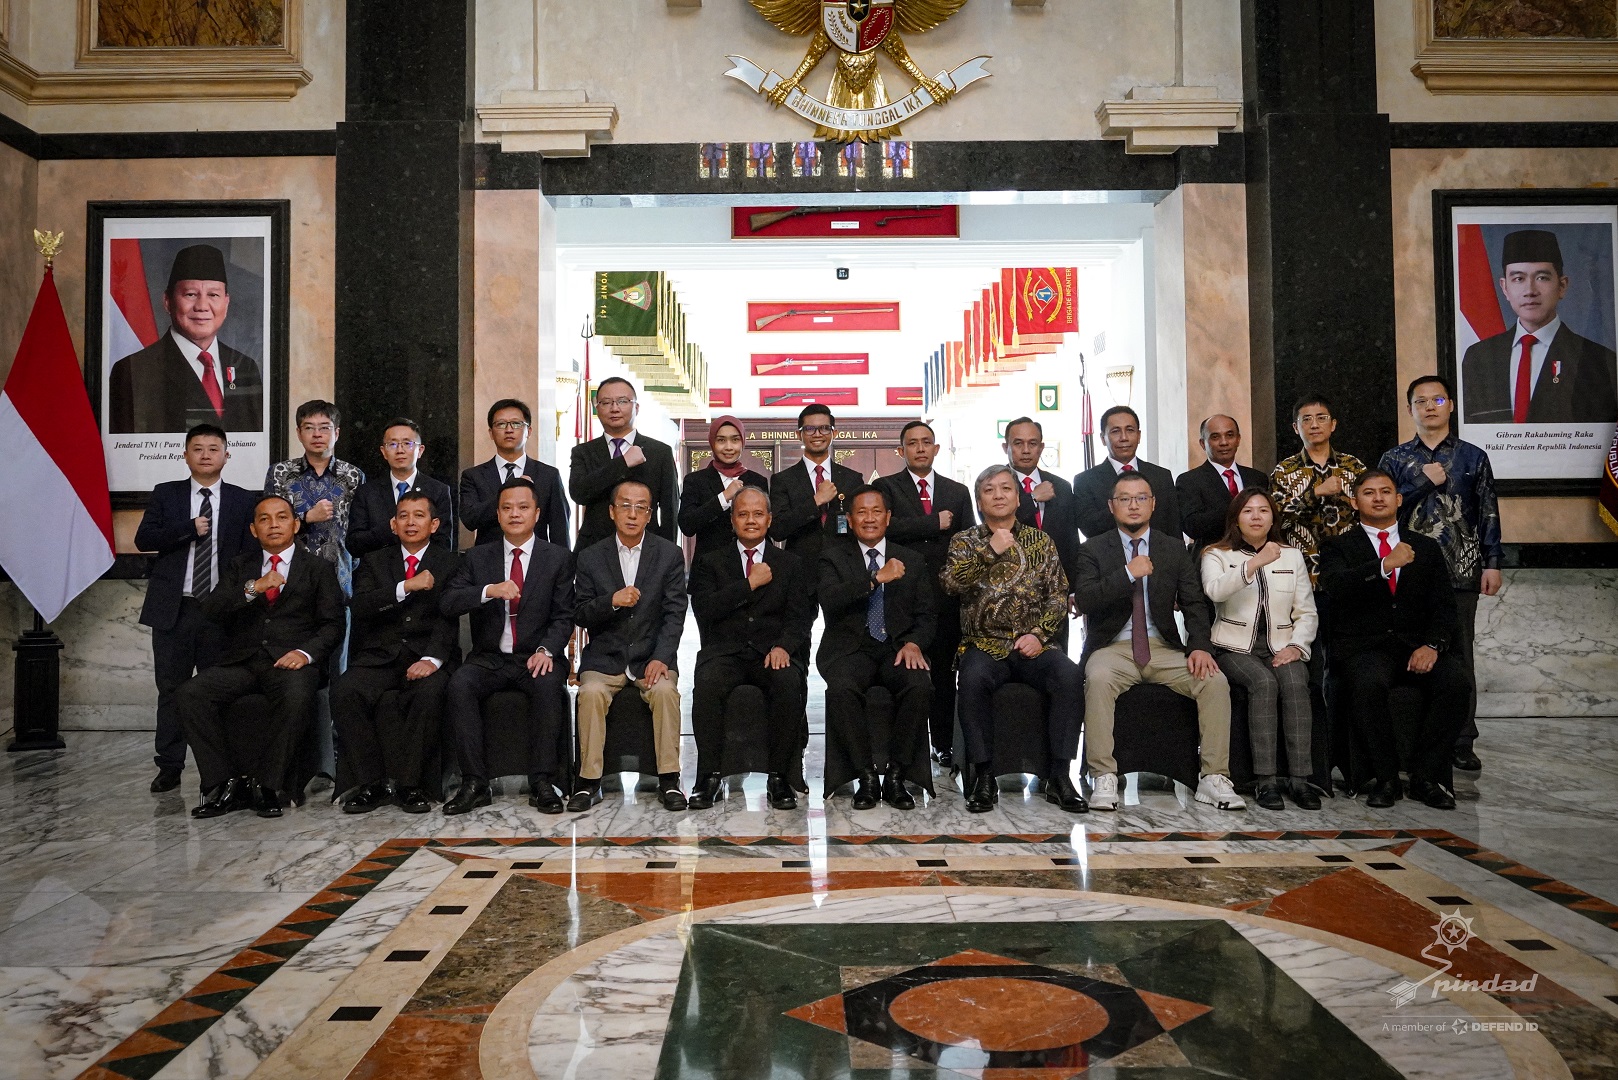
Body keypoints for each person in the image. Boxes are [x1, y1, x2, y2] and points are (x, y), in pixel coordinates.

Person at [1074, 472, 1244, 812]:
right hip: (1113, 648)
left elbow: (1194, 602)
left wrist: (1200, 646)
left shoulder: (1172, 548)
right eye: (1124, 499)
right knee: (1098, 678)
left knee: (1214, 681)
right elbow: (1086, 599)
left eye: (1141, 498)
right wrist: (1128, 573)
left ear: (1153, 504)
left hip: (1163, 647)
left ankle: (1213, 776)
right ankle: (1104, 775)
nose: (1133, 505)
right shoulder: (1093, 548)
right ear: (1111, 506)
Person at [175, 494, 344, 819]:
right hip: (243, 662)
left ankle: (268, 785)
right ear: (254, 530)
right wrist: (253, 588)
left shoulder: (318, 568)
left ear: (295, 525)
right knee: (189, 694)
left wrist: (305, 654)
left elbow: (333, 625)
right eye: (264, 519)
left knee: (296, 696)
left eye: (281, 517)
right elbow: (212, 610)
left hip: (292, 662)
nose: (273, 525)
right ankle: (223, 783)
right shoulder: (240, 566)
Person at [1318, 470, 1468, 810]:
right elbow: (1336, 587)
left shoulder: (1426, 547)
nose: (1378, 498)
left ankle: (1426, 777)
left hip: (1417, 645)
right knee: (1368, 685)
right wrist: (1385, 565)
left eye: (1386, 491)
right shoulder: (1338, 546)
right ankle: (1385, 778)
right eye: (1369, 493)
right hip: (1365, 647)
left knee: (1456, 684)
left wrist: (1432, 645)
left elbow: (1444, 606)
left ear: (1399, 499)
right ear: (1354, 502)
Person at [941, 464, 1086, 815]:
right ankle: (984, 776)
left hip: (1034, 644)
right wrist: (989, 551)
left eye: (1006, 488)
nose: (998, 495)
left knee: (1069, 676)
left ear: (1018, 498)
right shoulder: (965, 541)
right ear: (979, 501)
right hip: (984, 644)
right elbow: (950, 584)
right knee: (972, 679)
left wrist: (1039, 634)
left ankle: (1059, 776)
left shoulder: (1040, 541)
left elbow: (1058, 595)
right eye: (989, 490)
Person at [1380, 375, 1504, 774]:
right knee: (1409, 651)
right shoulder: (1394, 459)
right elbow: (1382, 509)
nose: (1429, 407)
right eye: (1421, 401)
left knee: (1460, 653)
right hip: (1408, 570)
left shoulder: (1473, 457)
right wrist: (1421, 482)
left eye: (1437, 400)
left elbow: (1487, 511)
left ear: (1450, 405)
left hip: (1461, 568)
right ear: (1410, 409)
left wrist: (1493, 562)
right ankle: (1414, 736)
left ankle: (1462, 739)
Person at [439, 477, 576, 815]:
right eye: (507, 508)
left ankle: (542, 781)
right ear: (498, 515)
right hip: (489, 658)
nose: (515, 514)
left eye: (523, 507)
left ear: (537, 514)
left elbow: (564, 616)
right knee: (459, 685)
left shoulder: (557, 558)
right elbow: (449, 601)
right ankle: (475, 782)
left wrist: (547, 650)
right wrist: (489, 591)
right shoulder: (477, 557)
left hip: (536, 655)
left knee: (548, 685)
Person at [134, 424, 256, 794]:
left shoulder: (242, 500)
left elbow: (251, 555)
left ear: (226, 455)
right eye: (198, 448)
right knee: (171, 689)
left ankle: (219, 769)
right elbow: (144, 539)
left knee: (217, 690)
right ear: (185, 455)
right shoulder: (166, 494)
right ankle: (169, 766)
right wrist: (188, 528)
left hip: (221, 611)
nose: (205, 455)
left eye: (213, 448)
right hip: (175, 608)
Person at [687, 488, 816, 811]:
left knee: (788, 682)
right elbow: (704, 609)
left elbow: (801, 617)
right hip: (725, 652)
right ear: (732, 520)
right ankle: (709, 777)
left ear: (769, 520)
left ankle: (779, 776)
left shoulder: (790, 563)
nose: (751, 520)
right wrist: (748, 585)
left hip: (771, 651)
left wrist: (784, 646)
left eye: (758, 514)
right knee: (706, 685)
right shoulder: (710, 561)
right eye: (743, 514)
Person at [333, 492, 460, 815]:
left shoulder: (450, 562)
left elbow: (449, 618)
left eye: (419, 515)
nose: (410, 522)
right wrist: (405, 587)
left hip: (426, 655)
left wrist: (432, 659)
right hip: (380, 656)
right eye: (403, 516)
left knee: (429, 693)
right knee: (346, 690)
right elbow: (361, 606)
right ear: (393, 524)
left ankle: (410, 785)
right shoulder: (374, 561)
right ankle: (370, 783)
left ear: (434, 524)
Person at [572, 480, 690, 813]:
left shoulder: (668, 554)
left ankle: (669, 779)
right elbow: (580, 612)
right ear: (612, 511)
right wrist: (611, 601)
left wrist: (662, 657)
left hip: (651, 656)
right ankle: (588, 782)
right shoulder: (591, 557)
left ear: (650, 514)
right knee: (590, 694)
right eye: (625, 505)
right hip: (604, 658)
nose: (632, 514)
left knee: (665, 692)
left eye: (641, 507)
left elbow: (675, 613)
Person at [1200, 488, 1320, 811]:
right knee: (1263, 683)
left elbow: (1307, 611)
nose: (1256, 517)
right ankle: (1265, 782)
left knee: (1295, 683)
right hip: (1233, 647)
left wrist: (1297, 646)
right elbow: (1215, 591)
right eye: (1248, 511)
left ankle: (1300, 780)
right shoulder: (1216, 554)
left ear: (1272, 518)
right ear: (1236, 519)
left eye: (1263, 510)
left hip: (1282, 645)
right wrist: (1254, 564)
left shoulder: (1292, 555)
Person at [816, 486, 935, 810]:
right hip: (850, 648)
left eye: (876, 511)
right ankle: (865, 776)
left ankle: (896, 776)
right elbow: (830, 599)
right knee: (841, 688)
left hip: (897, 647)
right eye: (862, 512)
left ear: (888, 517)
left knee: (918, 685)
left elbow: (927, 615)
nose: (869, 518)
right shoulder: (833, 556)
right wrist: (875, 579)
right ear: (850, 519)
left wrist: (914, 643)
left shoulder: (911, 559)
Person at [875, 420, 973, 766]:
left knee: (944, 674)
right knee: (907, 671)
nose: (920, 448)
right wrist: (933, 523)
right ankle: (907, 749)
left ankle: (943, 744)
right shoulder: (886, 487)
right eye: (912, 443)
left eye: (926, 442)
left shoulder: (957, 491)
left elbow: (968, 541)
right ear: (900, 450)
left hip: (946, 595)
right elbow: (883, 528)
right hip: (902, 594)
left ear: (936, 449)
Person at [1461, 229, 1618, 425]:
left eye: (1542, 277)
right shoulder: (1478, 357)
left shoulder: (1598, 361)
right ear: (1504, 287)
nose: (1530, 291)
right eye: (1518, 279)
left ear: (1562, 286)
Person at [108, 243, 264, 434]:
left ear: (226, 303)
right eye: (190, 294)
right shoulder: (134, 370)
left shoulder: (245, 367)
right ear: (167, 301)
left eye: (213, 295)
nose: (202, 306)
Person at [265, 400, 365, 595]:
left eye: (325, 428)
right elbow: (269, 525)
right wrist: (307, 517)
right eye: (309, 428)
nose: (317, 434)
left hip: (340, 577)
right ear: (299, 433)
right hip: (289, 577)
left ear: (336, 433)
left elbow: (359, 531)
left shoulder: (353, 475)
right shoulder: (279, 473)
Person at [569, 377, 678, 552]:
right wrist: (623, 463)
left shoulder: (660, 452)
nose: (614, 408)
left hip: (646, 548)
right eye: (606, 402)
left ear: (636, 407)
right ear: (597, 408)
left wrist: (667, 553)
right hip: (594, 549)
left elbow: (669, 510)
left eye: (622, 401)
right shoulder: (583, 452)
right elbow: (579, 493)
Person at [1270, 393, 1365, 584]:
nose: (1314, 425)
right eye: (1306, 419)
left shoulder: (1353, 466)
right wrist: (1315, 493)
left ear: (1333, 425)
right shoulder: (1284, 470)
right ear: (1296, 428)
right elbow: (1276, 518)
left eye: (1321, 418)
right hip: (1302, 568)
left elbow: (1367, 512)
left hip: (1349, 565)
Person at [459, 399, 570, 548]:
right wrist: (507, 494)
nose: (509, 430)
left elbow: (560, 528)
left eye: (516, 424)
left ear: (528, 431)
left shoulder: (548, 475)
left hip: (538, 558)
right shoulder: (474, 476)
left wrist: (563, 560)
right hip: (489, 558)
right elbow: (470, 519)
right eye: (501, 424)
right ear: (491, 433)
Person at [346, 417, 456, 559]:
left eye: (407, 443)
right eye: (392, 444)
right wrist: (390, 528)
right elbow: (354, 544)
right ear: (383, 452)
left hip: (424, 570)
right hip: (378, 570)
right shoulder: (367, 492)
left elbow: (443, 544)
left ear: (420, 450)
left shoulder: (438, 490)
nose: (400, 450)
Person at [769, 404, 864, 563]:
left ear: (834, 433)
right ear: (798, 435)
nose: (817, 434)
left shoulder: (852, 479)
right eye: (809, 429)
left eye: (824, 428)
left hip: (843, 567)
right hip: (800, 567)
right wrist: (816, 501)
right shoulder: (783, 480)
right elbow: (777, 530)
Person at [1072, 406, 1181, 541]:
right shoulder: (1085, 481)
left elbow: (1174, 529)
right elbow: (1089, 527)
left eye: (1130, 430)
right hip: (1108, 552)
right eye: (1115, 431)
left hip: (1158, 552)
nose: (1124, 438)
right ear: (1103, 438)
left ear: (1139, 436)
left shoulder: (1161, 476)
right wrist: (1123, 506)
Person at [1003, 417, 1080, 597]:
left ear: (1041, 447)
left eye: (1033, 443)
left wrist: (1074, 590)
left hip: (1055, 587)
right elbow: (999, 524)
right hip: (1011, 587)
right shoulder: (994, 484)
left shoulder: (1061, 486)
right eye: (1018, 443)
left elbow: (1071, 542)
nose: (1026, 450)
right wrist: (1033, 498)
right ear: (1006, 447)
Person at [678, 414, 770, 563]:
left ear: (743, 442)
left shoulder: (757, 481)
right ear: (712, 442)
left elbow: (766, 528)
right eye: (721, 440)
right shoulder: (695, 480)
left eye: (735, 440)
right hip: (708, 567)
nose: (728, 447)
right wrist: (723, 497)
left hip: (750, 565)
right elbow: (687, 525)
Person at [1176, 414, 1268, 553]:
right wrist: (1237, 508)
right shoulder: (1189, 480)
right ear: (1203, 443)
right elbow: (1192, 527)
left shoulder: (1257, 478)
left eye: (1230, 435)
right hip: (1213, 556)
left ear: (1238, 439)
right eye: (1215, 437)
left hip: (1257, 554)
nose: (1224, 442)